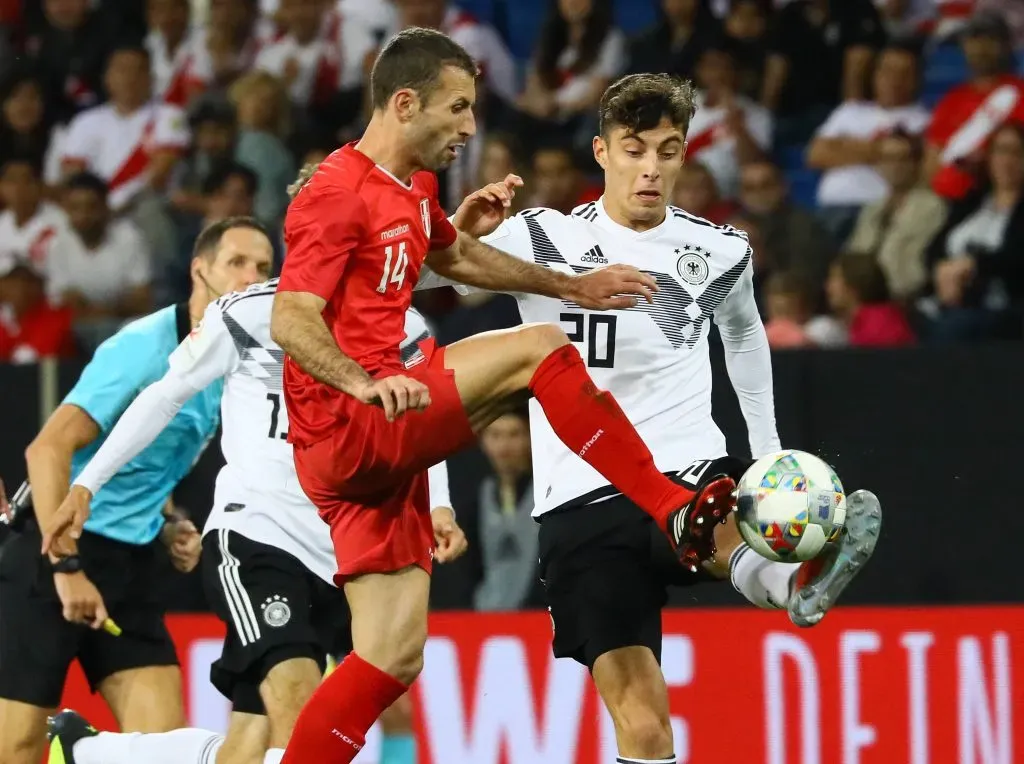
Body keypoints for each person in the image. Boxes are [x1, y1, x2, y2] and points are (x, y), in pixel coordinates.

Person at [272, 29, 732, 764]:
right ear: (404, 102)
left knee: (391, 656)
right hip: (353, 418)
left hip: (364, 450)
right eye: (458, 108)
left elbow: (451, 253)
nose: (470, 126)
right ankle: (669, 505)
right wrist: (364, 380)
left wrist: (569, 284)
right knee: (542, 351)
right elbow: (289, 316)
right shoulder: (333, 193)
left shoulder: (414, 187)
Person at [448, 72, 883, 764]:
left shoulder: (720, 250)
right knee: (646, 727)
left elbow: (743, 336)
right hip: (578, 494)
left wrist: (767, 452)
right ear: (601, 152)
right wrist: (454, 237)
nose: (651, 168)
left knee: (705, 515)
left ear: (684, 156)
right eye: (634, 149)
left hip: (684, 464)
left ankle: (786, 581)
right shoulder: (540, 237)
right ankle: (777, 580)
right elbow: (432, 282)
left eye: (668, 150)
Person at [43, 292, 462, 764]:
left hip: (337, 554)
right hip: (254, 537)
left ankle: (91, 751)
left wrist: (440, 506)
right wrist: (87, 485)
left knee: (249, 746)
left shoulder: (400, 323)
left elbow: (423, 420)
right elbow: (164, 395)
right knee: (301, 710)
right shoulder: (246, 313)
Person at [0, 216, 272, 764]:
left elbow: (142, 465)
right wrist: (65, 566)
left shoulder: (234, 365)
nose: (252, 277)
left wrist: (171, 521)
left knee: (159, 748)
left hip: (130, 565)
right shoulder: (145, 347)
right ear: (201, 270)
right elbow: (47, 450)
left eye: (265, 268)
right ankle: (62, 742)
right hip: (52, 554)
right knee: (16, 747)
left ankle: (75, 745)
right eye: (237, 263)